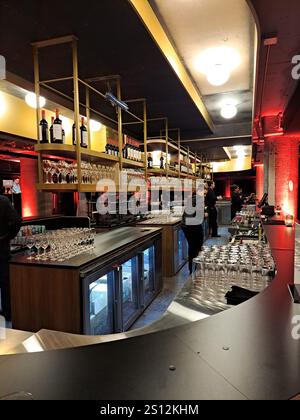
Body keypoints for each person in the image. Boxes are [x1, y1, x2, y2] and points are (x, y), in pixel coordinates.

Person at [0, 195, 21, 320]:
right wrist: (8, 236)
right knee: (4, 281)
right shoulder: (3, 201)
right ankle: (8, 313)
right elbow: (16, 221)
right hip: (1, 246)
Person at [182, 189, 207, 275]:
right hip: (193, 226)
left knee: (192, 247)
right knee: (197, 247)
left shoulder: (191, 200)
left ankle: (192, 268)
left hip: (186, 226)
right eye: (204, 193)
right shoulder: (199, 200)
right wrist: (205, 214)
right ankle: (196, 268)